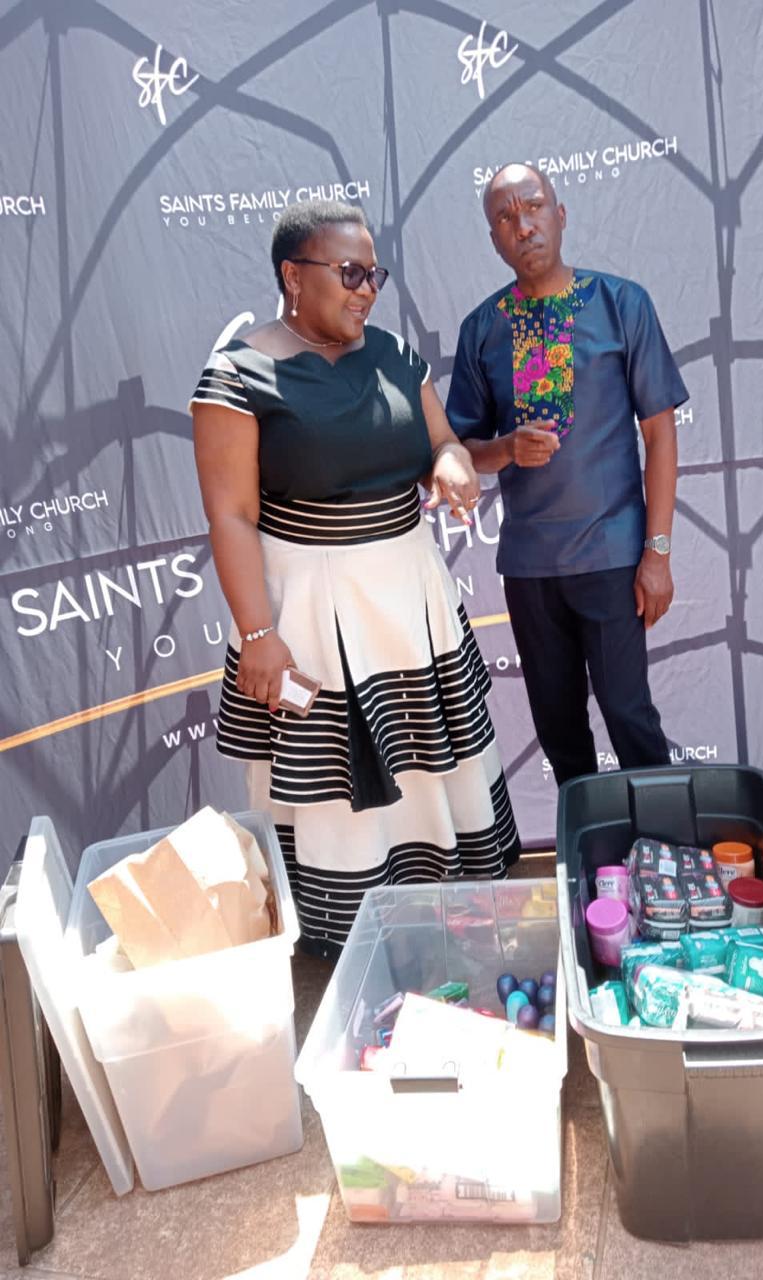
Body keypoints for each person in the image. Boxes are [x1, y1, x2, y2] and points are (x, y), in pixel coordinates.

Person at [190, 199, 520, 958]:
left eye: (374, 274)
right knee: (335, 787)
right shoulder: (236, 375)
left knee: (430, 767)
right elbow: (232, 516)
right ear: (292, 275)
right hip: (309, 611)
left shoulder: (396, 355)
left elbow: (442, 442)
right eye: (349, 273)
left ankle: (446, 915)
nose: (367, 289)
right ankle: (355, 941)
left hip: (411, 602)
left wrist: (449, 464)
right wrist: (259, 634)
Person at [446, 163, 689, 787]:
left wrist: (657, 552)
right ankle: (590, 844)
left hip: (612, 558)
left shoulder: (621, 304)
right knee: (559, 730)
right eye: (506, 217)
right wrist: (506, 448)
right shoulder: (483, 329)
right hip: (531, 569)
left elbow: (660, 435)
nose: (523, 225)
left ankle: (661, 844)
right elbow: (461, 450)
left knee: (629, 715)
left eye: (533, 207)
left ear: (560, 214)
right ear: (494, 239)